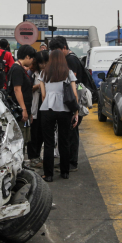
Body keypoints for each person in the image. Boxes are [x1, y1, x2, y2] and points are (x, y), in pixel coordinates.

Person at [48, 36, 95, 172]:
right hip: (71, 101)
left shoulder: (70, 60)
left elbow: (70, 82)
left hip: (74, 102)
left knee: (71, 133)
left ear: (64, 48)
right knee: (68, 132)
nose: (54, 54)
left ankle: (72, 163)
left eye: (56, 50)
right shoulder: (68, 59)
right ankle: (66, 161)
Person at [39, 49, 79, 182]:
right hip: (65, 110)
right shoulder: (68, 73)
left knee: (49, 143)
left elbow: (43, 95)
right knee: (64, 141)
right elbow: (74, 94)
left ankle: (48, 175)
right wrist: (76, 112)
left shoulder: (43, 73)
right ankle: (65, 172)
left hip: (47, 109)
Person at [8, 45, 36, 156]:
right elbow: (17, 90)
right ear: (28, 56)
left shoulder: (18, 68)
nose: (32, 61)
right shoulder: (17, 69)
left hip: (23, 110)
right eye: (32, 59)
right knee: (20, 139)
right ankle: (19, 163)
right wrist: (24, 109)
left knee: (22, 138)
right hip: (19, 111)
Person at [26, 50, 49, 169]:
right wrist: (40, 85)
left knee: (41, 133)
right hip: (34, 105)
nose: (43, 65)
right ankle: (32, 158)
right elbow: (28, 89)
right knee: (33, 133)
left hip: (45, 106)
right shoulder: (31, 73)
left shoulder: (50, 72)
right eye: (41, 63)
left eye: (45, 62)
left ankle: (38, 157)